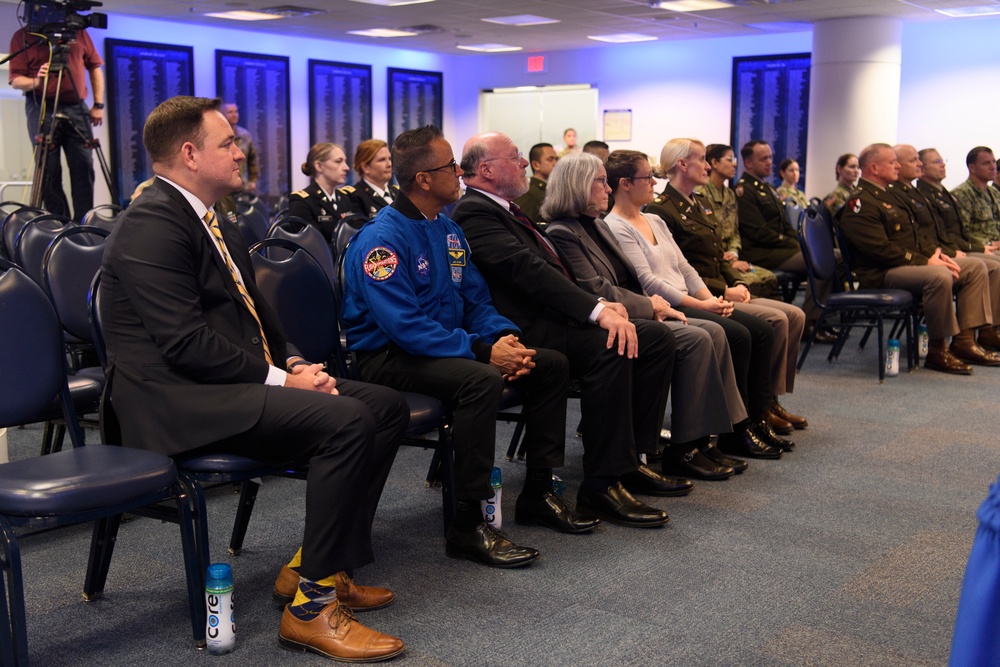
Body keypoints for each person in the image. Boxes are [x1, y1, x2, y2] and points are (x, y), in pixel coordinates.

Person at [98, 96, 408, 660]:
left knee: (384, 405)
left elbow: (258, 318)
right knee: (346, 421)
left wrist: (291, 364)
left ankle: (314, 566)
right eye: (228, 144)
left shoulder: (213, 218)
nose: (240, 153)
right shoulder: (150, 224)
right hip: (175, 403)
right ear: (190, 154)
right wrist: (280, 382)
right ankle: (311, 611)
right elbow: (184, 343)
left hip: (226, 384)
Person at [342, 125, 598, 568]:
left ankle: (538, 491)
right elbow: (405, 328)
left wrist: (502, 338)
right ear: (423, 179)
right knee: (480, 380)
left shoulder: (447, 230)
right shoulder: (381, 241)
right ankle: (468, 523)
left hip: (439, 348)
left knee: (550, 363)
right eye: (450, 166)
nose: (460, 173)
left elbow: (476, 300)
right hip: (388, 357)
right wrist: (482, 353)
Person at [454, 131, 682, 529]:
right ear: (487, 170)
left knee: (654, 337)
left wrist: (601, 305)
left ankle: (631, 459)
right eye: (516, 156)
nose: (526, 163)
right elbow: (529, 273)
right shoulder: (474, 211)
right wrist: (594, 311)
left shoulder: (505, 208)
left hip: (547, 317)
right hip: (518, 328)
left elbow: (548, 272)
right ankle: (601, 482)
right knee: (610, 344)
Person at [543, 151, 757, 478]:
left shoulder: (595, 225)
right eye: (600, 182)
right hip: (614, 318)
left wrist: (653, 305)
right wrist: (651, 305)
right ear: (578, 186)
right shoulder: (563, 231)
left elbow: (631, 279)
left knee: (711, 333)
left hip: (636, 311)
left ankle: (701, 441)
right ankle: (681, 447)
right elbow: (596, 287)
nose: (607, 188)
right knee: (700, 337)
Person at [622, 144, 798, 455]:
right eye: (648, 177)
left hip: (700, 291)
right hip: (674, 302)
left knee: (760, 327)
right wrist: (708, 301)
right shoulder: (660, 210)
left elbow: (689, 266)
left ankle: (755, 417)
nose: (654, 182)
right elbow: (649, 280)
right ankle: (729, 428)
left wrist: (722, 290)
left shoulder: (671, 214)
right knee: (743, 332)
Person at [839, 143, 996, 374]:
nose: (897, 165)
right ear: (873, 167)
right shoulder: (860, 203)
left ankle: (964, 341)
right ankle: (937, 349)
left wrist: (936, 254)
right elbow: (879, 249)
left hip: (907, 264)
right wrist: (925, 261)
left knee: (973, 267)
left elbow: (915, 235)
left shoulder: (888, 195)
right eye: (893, 162)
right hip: (881, 272)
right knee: (939, 276)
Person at [890, 144, 1000, 352]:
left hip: (938, 252)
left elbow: (941, 232)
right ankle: (958, 343)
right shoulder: (904, 195)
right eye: (935, 162)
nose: (920, 165)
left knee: (985, 266)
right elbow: (908, 239)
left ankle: (976, 336)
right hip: (910, 262)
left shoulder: (929, 194)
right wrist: (945, 253)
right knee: (984, 267)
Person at [735, 139, 833, 338]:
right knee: (823, 259)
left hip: (780, 248)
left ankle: (816, 317)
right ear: (749, 163)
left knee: (827, 256)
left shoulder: (768, 188)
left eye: (770, 157)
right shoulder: (744, 190)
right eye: (763, 159)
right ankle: (811, 321)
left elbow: (785, 225)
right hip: (762, 252)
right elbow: (758, 232)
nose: (769, 162)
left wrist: (800, 240)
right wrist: (796, 244)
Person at [8, 26, 104, 221]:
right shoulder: (24, 36)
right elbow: (16, 80)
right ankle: (60, 225)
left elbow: (95, 66)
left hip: (76, 105)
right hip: (41, 105)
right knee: (48, 172)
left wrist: (98, 104)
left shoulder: (78, 32)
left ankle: (84, 225)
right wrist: (37, 81)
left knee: (84, 168)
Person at [697, 143, 778, 298]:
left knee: (769, 278)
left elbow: (735, 231)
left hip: (731, 257)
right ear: (714, 163)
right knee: (752, 284)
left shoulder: (730, 194)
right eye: (729, 160)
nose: (734, 164)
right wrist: (726, 260)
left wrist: (734, 252)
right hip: (715, 260)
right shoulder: (700, 194)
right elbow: (703, 239)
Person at [289, 142, 365, 243]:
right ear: (319, 166)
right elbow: (312, 245)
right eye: (338, 161)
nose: (346, 167)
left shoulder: (345, 198)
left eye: (345, 162)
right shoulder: (302, 201)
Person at [951, 146, 1000, 252]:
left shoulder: (994, 193)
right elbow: (963, 231)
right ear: (972, 168)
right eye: (986, 163)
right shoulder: (962, 193)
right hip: (982, 247)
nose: (993, 167)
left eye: (993, 162)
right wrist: (990, 243)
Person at [346, 138, 399, 219]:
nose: (389, 164)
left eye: (389, 159)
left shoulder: (397, 192)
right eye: (382, 160)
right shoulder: (354, 196)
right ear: (365, 167)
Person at [513, 142, 558, 222]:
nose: (555, 164)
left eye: (556, 159)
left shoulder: (549, 189)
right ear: (536, 165)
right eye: (550, 159)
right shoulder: (529, 194)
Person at [222, 102, 258, 193]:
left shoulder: (245, 135)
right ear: (222, 114)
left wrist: (253, 180)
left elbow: (253, 160)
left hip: (243, 187)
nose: (234, 115)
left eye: (236, 111)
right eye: (230, 112)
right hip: (223, 189)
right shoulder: (218, 136)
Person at [822, 153, 860, 219]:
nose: (856, 171)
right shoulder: (837, 195)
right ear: (839, 169)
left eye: (858, 167)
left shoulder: (857, 191)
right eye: (852, 167)